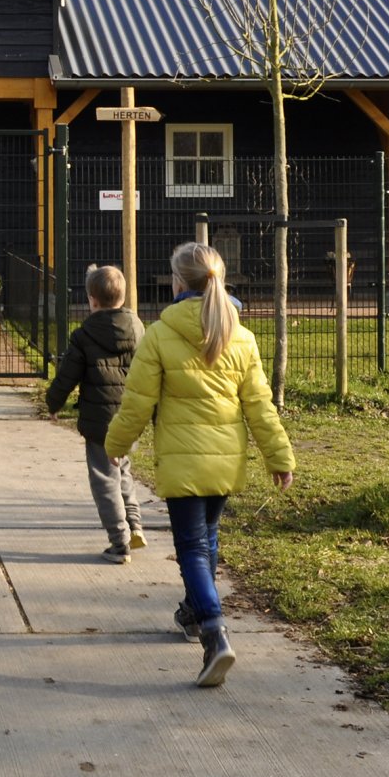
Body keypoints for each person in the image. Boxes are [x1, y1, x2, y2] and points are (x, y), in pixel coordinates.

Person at [103, 240, 294, 689]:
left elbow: (137, 403)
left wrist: (117, 442)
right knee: (207, 540)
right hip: (225, 463)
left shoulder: (160, 334)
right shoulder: (240, 337)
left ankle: (214, 630)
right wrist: (279, 457)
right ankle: (192, 612)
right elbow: (260, 406)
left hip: (183, 462)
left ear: (177, 282)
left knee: (191, 548)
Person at [43, 263, 147, 563]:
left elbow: (66, 376)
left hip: (100, 421)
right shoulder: (138, 328)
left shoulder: (85, 335)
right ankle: (135, 524)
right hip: (130, 415)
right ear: (123, 297)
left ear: (92, 300)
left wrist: (53, 403)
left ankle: (119, 541)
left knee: (104, 477)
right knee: (123, 469)